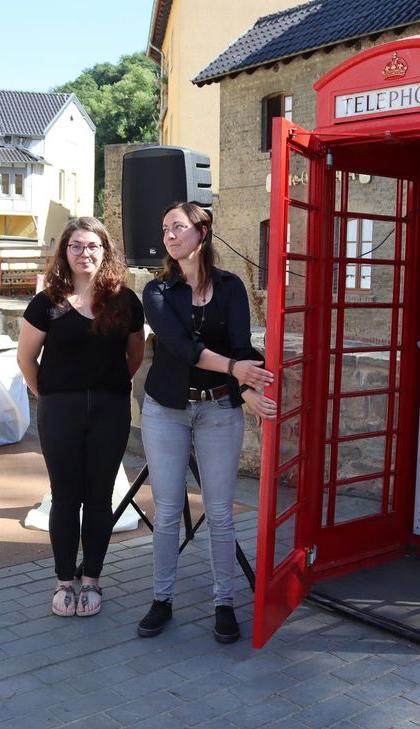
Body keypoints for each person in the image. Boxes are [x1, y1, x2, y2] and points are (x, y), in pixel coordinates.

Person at [137, 202, 276, 644]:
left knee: (219, 512)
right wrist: (238, 373)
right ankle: (162, 599)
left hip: (218, 409)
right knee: (168, 510)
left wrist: (246, 387)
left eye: (177, 226)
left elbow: (243, 346)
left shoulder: (232, 287)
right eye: (165, 229)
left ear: (202, 230)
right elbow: (179, 346)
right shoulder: (155, 290)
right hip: (165, 409)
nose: (169, 236)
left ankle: (225, 604)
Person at [17, 217, 144, 617]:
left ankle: (92, 579)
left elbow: (134, 355)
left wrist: (105, 389)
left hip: (110, 411)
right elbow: (25, 358)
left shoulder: (126, 301)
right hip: (59, 411)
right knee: (66, 497)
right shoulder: (47, 302)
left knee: (99, 497)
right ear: (64, 252)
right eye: (76, 246)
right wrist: (52, 398)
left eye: (92, 245)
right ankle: (63, 582)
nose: (84, 253)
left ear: (105, 251)